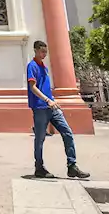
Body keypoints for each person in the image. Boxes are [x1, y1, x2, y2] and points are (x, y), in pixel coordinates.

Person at [27, 40, 89, 179]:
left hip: (52, 107)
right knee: (40, 139)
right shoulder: (32, 66)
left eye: (45, 52)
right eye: (42, 51)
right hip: (40, 107)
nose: (44, 54)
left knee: (67, 132)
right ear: (36, 50)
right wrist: (47, 100)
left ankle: (72, 166)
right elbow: (33, 87)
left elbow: (46, 87)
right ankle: (39, 167)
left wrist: (53, 100)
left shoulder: (44, 68)